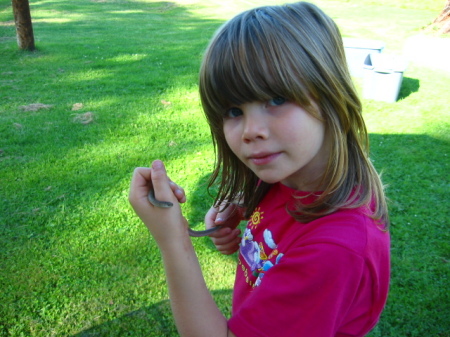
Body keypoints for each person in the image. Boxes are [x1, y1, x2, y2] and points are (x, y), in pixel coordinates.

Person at [128, 2, 390, 336]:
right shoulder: (296, 173)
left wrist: (173, 240)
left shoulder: (335, 250)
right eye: (234, 110)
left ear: (330, 93)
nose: (251, 130)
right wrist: (240, 202)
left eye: (277, 99)